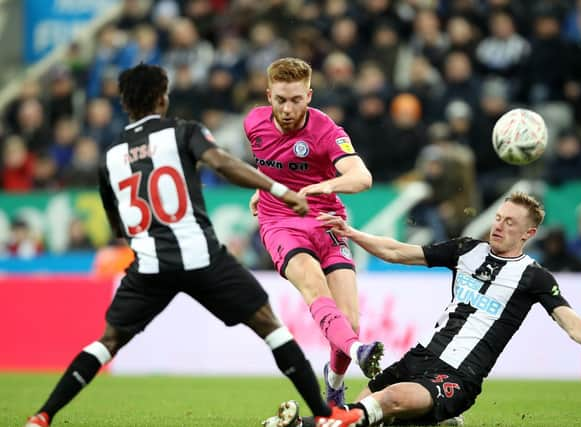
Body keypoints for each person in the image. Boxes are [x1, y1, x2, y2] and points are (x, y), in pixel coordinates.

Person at [25, 64, 363, 427]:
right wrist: (276, 191)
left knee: (106, 342)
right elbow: (222, 163)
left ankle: (43, 415)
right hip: (202, 256)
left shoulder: (109, 158)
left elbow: (119, 227)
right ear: (163, 98)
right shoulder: (183, 131)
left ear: (124, 104)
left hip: (150, 263)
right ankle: (327, 415)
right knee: (270, 326)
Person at [263, 192, 581, 427]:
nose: (499, 225)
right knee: (366, 413)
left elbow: (569, 321)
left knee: (386, 402)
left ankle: (299, 424)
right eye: (498, 217)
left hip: (459, 376)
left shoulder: (534, 277)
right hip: (418, 358)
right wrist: (352, 233)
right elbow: (397, 251)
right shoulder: (466, 250)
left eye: (510, 223)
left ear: (528, 234)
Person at [245, 57, 384, 407]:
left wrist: (324, 186)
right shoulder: (253, 123)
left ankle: (335, 380)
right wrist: (261, 190)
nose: (288, 109)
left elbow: (362, 177)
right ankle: (359, 351)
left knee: (349, 320)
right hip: (279, 223)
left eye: (296, 100)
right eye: (280, 100)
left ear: (309, 95)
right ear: (268, 95)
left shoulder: (327, 132)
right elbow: (269, 165)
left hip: (326, 221)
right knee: (312, 285)